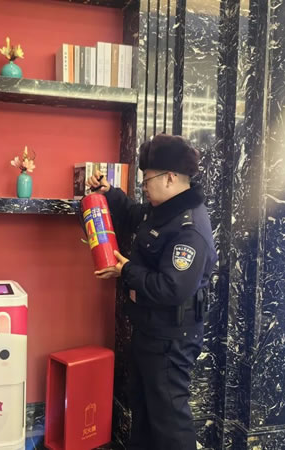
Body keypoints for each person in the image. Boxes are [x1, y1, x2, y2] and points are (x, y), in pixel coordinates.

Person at [87, 134, 218, 450]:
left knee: (169, 421)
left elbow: (171, 288)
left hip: (172, 338)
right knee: (144, 412)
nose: (143, 186)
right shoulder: (162, 209)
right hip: (150, 329)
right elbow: (135, 215)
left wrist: (125, 270)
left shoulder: (190, 229)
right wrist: (109, 193)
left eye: (147, 179)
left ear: (170, 178)